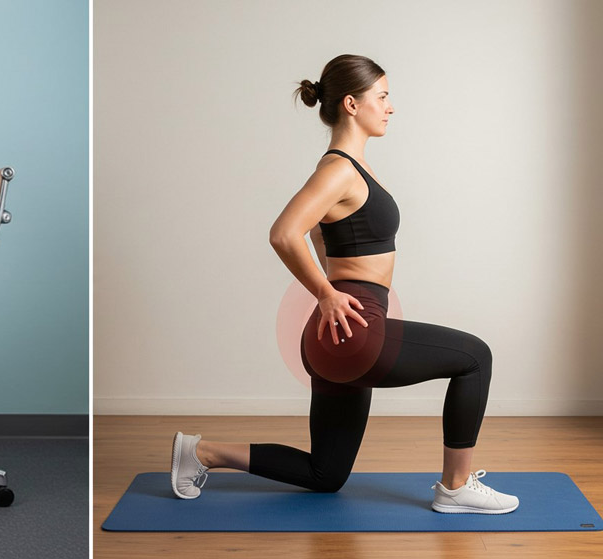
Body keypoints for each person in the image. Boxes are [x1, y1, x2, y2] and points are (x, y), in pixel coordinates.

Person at [170, 54, 518, 514]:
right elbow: (284, 233)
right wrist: (328, 293)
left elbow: (317, 232)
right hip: (352, 332)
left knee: (325, 474)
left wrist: (335, 290)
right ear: (352, 104)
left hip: (336, 336)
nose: (391, 107)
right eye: (383, 96)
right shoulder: (339, 170)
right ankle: (454, 488)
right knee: (475, 357)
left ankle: (201, 452)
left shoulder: (351, 167)